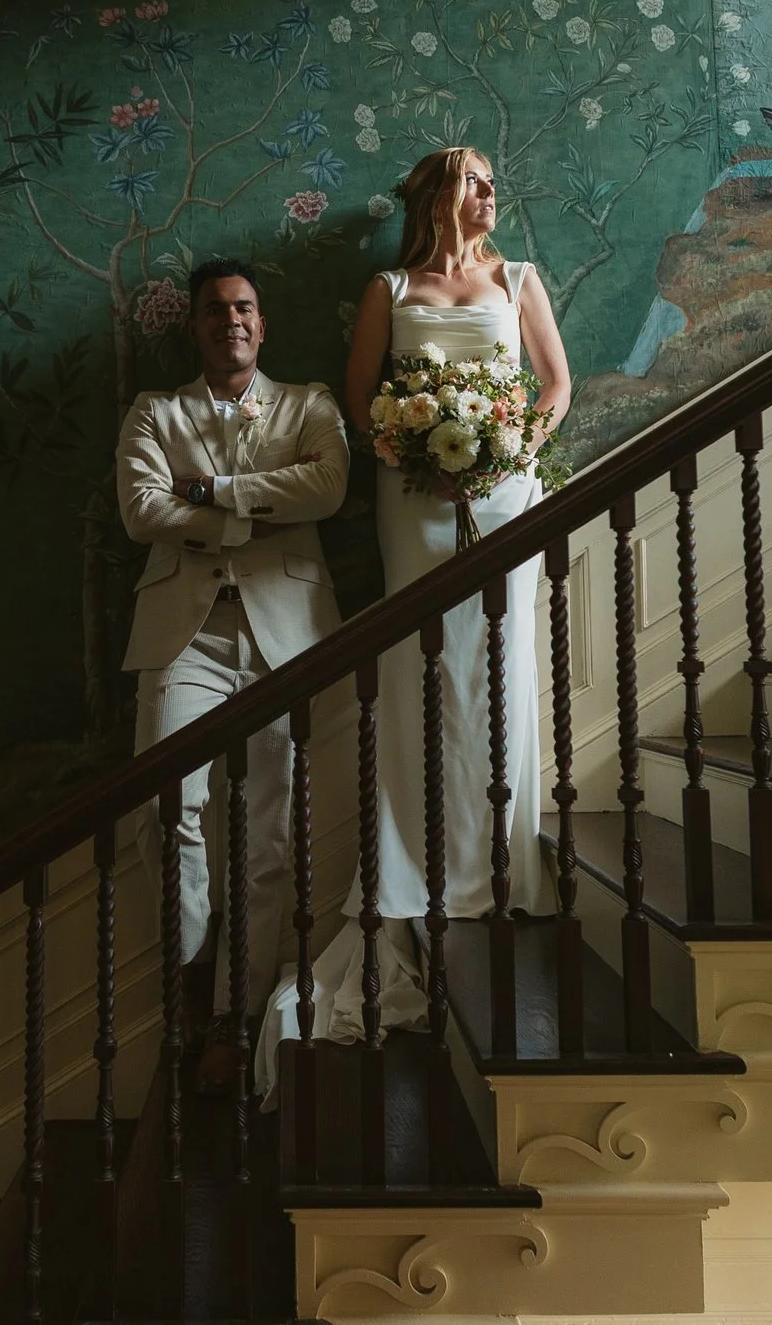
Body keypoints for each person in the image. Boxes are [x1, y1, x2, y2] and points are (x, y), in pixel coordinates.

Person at [259, 145, 573, 1090]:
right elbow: (363, 402)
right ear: (436, 194)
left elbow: (555, 387)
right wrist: (417, 455)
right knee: (421, 669)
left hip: (505, 493)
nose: (488, 192)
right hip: (416, 499)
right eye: (473, 179)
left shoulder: (520, 278)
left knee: (500, 665)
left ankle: (501, 863)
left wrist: (506, 450)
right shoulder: (389, 289)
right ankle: (421, 861)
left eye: (491, 180)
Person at [117, 257, 351, 1090]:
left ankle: (231, 1014)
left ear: (263, 322)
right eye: (216, 310)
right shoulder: (156, 411)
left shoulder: (309, 404)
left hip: (286, 636)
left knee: (266, 833)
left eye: (244, 307)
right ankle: (192, 965)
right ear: (196, 326)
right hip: (184, 636)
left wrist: (215, 489)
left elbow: (326, 487)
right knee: (162, 805)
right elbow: (142, 508)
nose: (232, 321)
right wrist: (248, 520)